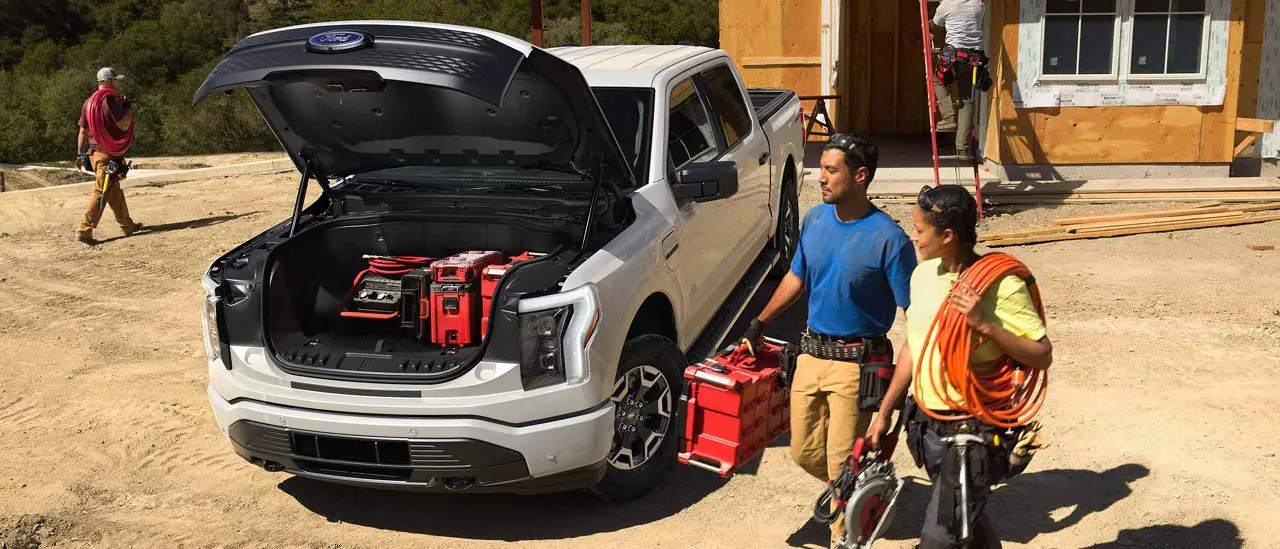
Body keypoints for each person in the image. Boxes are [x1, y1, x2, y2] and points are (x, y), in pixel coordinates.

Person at [742, 133, 916, 547]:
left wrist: (901, 389)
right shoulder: (815, 220)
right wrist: (760, 321)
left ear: (860, 176)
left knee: (840, 457)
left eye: (830, 170)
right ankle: (857, 488)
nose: (820, 177)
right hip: (810, 355)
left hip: (857, 366)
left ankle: (846, 536)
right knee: (803, 451)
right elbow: (796, 277)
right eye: (821, 168)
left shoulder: (890, 240)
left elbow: (917, 315)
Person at [867, 185, 1054, 548]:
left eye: (920, 230)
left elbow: (1041, 354)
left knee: (940, 536)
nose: (913, 236)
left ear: (948, 235)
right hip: (927, 426)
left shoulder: (1000, 284)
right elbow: (914, 347)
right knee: (967, 521)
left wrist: (986, 325)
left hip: (971, 433)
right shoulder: (923, 275)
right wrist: (884, 411)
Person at [76, 67, 142, 244]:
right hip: (107, 153)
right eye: (116, 80)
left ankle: (127, 225)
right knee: (102, 190)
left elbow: (83, 131)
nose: (118, 83)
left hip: (94, 153)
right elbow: (123, 124)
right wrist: (127, 108)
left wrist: (80, 154)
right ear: (108, 81)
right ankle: (84, 230)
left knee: (113, 190)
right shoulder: (110, 100)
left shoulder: (89, 102)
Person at [931, 0, 986, 159]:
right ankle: (963, 149)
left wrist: (929, 23)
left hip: (952, 54)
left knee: (938, 80)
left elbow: (936, 22)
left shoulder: (947, 4)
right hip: (973, 58)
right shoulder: (979, 5)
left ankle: (948, 116)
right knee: (967, 100)